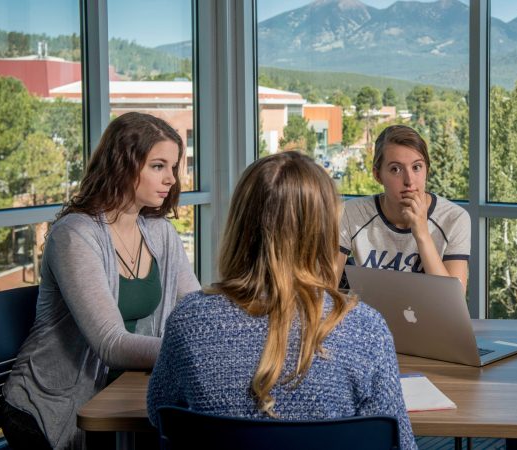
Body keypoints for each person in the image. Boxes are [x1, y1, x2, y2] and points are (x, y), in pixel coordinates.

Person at [147, 151, 417, 450]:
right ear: (323, 229)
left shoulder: (189, 320)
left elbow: (159, 412)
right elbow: (400, 443)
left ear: (239, 223)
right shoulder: (365, 329)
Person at [1, 112, 201, 450]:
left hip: (124, 398)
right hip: (49, 409)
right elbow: (111, 344)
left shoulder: (160, 232)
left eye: (173, 166)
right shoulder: (75, 234)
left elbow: (195, 310)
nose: (171, 179)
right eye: (158, 166)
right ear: (123, 164)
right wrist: (197, 351)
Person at [336, 125, 470, 288]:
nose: (409, 180)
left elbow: (452, 306)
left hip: (428, 314)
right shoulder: (350, 213)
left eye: (417, 167)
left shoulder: (455, 218)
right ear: (378, 175)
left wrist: (422, 234)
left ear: (427, 169)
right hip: (369, 313)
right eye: (396, 169)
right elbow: (325, 290)